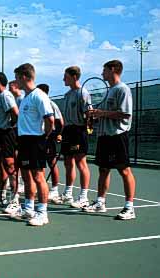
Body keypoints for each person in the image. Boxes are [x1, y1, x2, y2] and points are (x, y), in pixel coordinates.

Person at [83, 60, 136, 220]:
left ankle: (129, 207)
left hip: (118, 136)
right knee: (103, 169)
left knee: (124, 170)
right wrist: (95, 116)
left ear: (112, 70)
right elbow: (106, 114)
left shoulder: (122, 89)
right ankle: (100, 202)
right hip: (104, 137)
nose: (102, 73)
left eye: (104, 70)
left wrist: (102, 113)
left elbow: (125, 114)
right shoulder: (109, 90)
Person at [6, 63, 54, 226]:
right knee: (26, 177)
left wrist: (43, 137)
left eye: (17, 78)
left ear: (24, 77)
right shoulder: (26, 97)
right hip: (24, 141)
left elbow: (50, 120)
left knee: (38, 177)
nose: (15, 81)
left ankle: (42, 213)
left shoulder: (39, 96)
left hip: (35, 141)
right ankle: (28, 208)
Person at [58, 66, 92, 208]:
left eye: (65, 76)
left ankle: (83, 197)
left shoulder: (83, 93)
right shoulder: (67, 95)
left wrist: (87, 129)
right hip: (68, 131)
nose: (63, 79)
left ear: (74, 77)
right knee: (68, 162)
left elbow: (89, 115)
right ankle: (68, 193)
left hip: (79, 131)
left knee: (80, 162)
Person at [0, 72, 19, 206]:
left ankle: (15, 198)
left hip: (6, 134)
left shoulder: (6, 95)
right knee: (0, 166)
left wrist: (10, 127)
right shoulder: (1, 96)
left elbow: (15, 113)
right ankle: (2, 195)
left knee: (9, 164)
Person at [36, 84, 64, 203]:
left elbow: (60, 121)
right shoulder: (39, 103)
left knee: (51, 162)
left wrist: (58, 134)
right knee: (40, 163)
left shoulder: (51, 104)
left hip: (49, 136)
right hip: (40, 136)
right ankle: (44, 189)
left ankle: (55, 190)